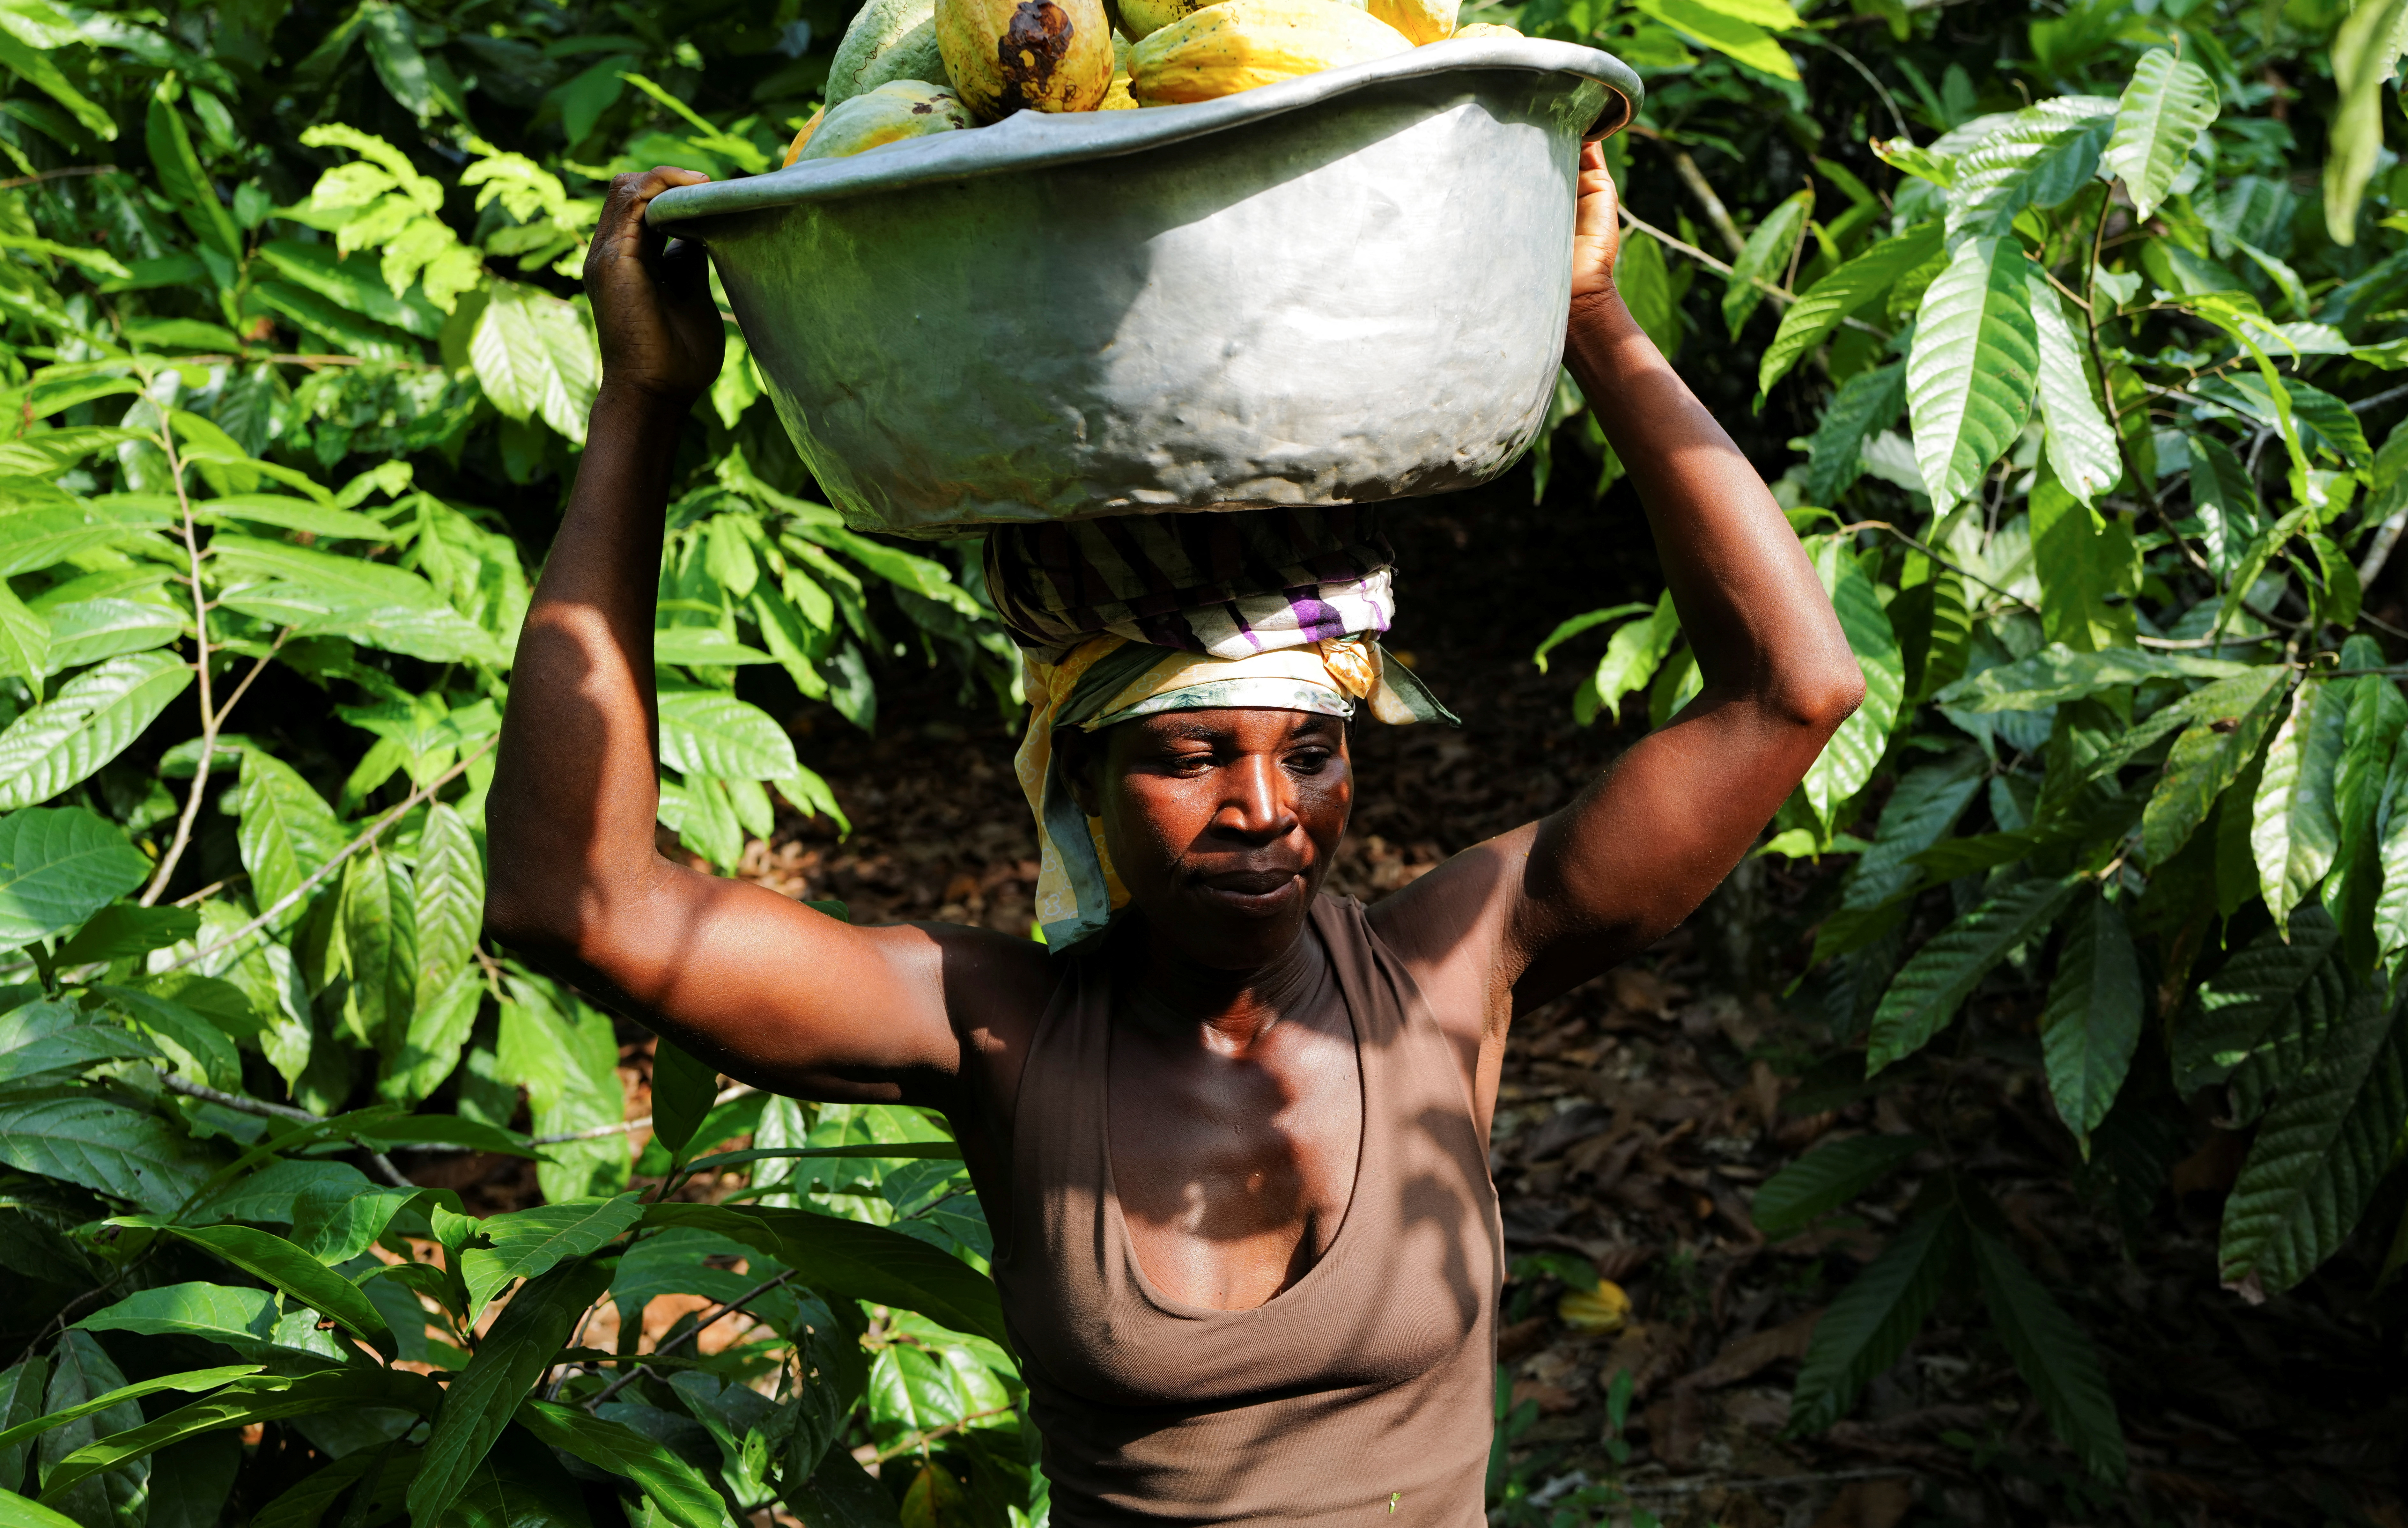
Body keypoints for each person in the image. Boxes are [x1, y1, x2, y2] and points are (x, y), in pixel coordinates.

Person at [484, 143, 1867, 1526]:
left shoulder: (1449, 973)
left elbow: (1792, 693)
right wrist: (642, 404)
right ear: (1077, 775)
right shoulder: (1002, 1032)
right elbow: (579, 898)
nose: (1266, 809)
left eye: (1311, 751)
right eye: (1192, 754)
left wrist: (1594, 324)